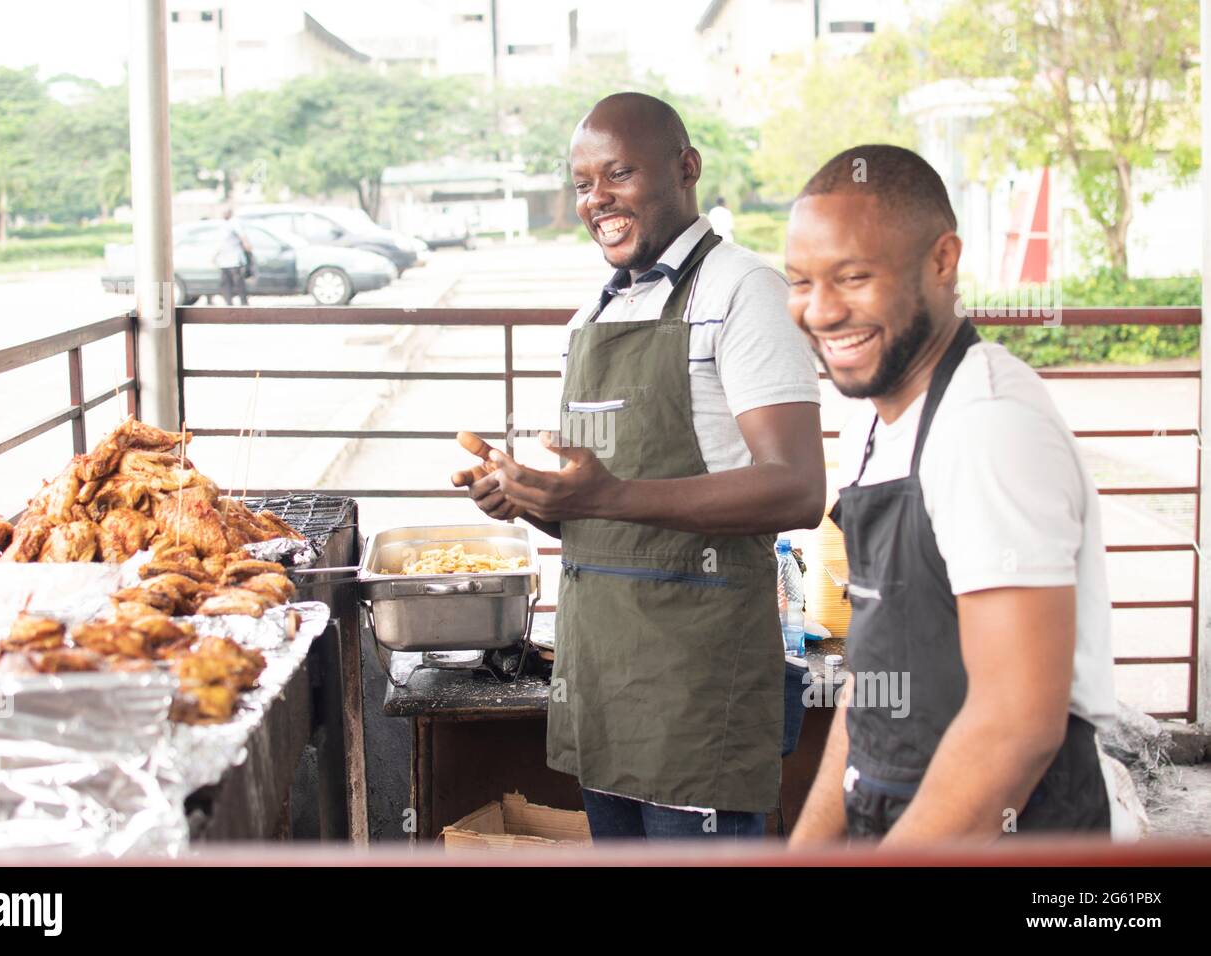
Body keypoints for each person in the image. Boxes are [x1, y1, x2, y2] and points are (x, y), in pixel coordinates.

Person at [452, 92, 825, 840]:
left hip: (696, 679)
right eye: (584, 183)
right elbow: (600, 509)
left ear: (686, 168)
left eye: (618, 174)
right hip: (602, 677)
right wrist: (527, 498)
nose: (598, 200)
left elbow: (798, 487)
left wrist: (610, 492)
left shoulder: (742, 292)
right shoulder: (592, 316)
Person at [784, 144, 1116, 845]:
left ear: (942, 261)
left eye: (852, 277)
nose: (820, 311)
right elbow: (873, 673)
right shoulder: (870, 419)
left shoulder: (987, 426)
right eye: (800, 281)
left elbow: (1015, 728)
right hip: (893, 809)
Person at [214, 208, 252, 306]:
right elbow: (220, 243)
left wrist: (247, 246)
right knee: (226, 283)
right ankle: (229, 304)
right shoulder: (222, 225)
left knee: (238, 283)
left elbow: (243, 237)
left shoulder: (234, 223)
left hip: (234, 259)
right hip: (224, 260)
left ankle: (243, 304)